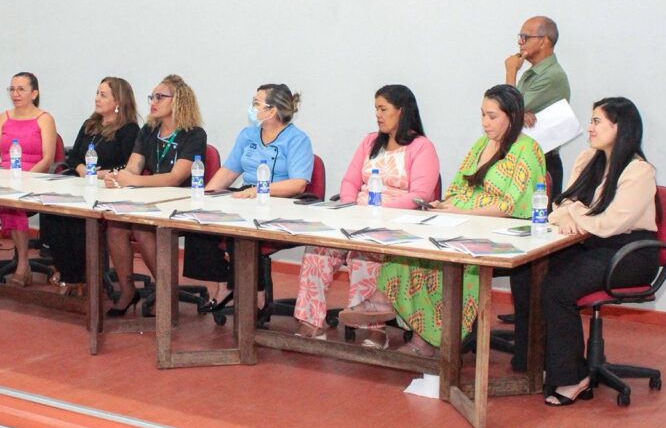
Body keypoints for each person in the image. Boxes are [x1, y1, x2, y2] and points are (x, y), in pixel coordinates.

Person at [342, 84, 545, 358]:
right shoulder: (482, 145)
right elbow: (459, 185)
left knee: (444, 263)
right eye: (482, 115)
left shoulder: (528, 150)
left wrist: (462, 213)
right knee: (414, 245)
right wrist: (445, 205)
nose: (485, 123)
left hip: (497, 229)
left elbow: (509, 204)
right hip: (460, 220)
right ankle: (388, 303)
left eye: (492, 116)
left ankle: (427, 339)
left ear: (513, 116)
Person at [293, 85, 439, 347]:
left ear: (402, 111)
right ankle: (312, 321)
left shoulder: (421, 147)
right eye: (376, 109)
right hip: (357, 218)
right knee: (318, 249)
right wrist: (351, 210)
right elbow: (350, 181)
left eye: (383, 109)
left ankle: (375, 328)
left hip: (394, 224)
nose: (378, 115)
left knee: (365, 255)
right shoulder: (370, 142)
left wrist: (379, 213)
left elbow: (421, 195)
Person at [541, 97, 658, 406]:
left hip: (629, 253)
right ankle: (543, 363)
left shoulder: (639, 171)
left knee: (557, 290)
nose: (589, 128)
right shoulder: (587, 159)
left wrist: (572, 215)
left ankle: (573, 377)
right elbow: (562, 202)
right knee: (535, 271)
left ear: (620, 128)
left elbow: (609, 223)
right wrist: (568, 214)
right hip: (589, 241)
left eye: (596, 121)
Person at [182, 84, 314, 306]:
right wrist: (204, 197)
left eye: (256, 103)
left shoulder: (297, 139)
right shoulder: (248, 135)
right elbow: (229, 171)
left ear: (272, 110)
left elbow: (299, 184)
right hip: (247, 196)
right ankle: (224, 284)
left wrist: (258, 190)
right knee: (202, 219)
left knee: (240, 230)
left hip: (279, 200)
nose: (252, 108)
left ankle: (256, 295)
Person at [103, 75, 206, 316]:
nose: (153, 102)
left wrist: (134, 180)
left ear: (179, 101)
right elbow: (134, 166)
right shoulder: (149, 130)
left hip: (181, 201)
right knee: (115, 226)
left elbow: (176, 177)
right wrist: (119, 177)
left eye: (160, 97)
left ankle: (165, 290)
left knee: (143, 228)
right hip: (150, 198)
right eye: (152, 97)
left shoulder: (194, 134)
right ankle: (127, 290)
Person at [39, 77, 140, 295]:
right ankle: (67, 271)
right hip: (82, 183)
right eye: (97, 93)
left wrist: (101, 174)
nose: (97, 99)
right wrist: (81, 168)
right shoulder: (90, 125)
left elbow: (129, 164)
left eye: (103, 95)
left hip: (110, 188)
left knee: (78, 217)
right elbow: (74, 155)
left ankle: (82, 276)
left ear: (118, 101)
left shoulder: (129, 129)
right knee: (52, 211)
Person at [0, 72, 57, 286]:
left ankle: (23, 266)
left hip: (32, 178)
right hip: (3, 177)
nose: (15, 94)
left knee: (14, 205)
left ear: (34, 93)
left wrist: (25, 179)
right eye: (12, 89)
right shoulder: (4, 117)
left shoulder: (44, 119)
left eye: (21, 89)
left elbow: (48, 159)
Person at [503, 15, 570, 193]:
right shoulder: (532, 73)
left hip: (543, 162)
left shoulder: (552, 76)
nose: (520, 42)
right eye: (520, 37)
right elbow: (512, 112)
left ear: (544, 41)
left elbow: (507, 112)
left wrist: (511, 72)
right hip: (525, 158)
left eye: (525, 37)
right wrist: (519, 114)